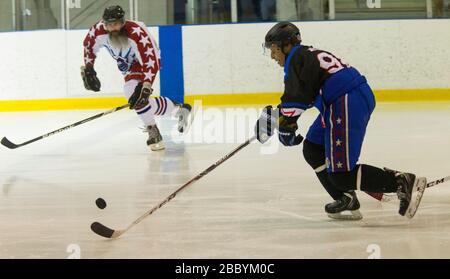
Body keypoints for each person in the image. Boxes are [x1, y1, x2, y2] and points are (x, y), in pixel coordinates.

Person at [255, 22, 427, 220]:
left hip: (345, 102)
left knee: (341, 175)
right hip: (344, 100)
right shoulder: (305, 55)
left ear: (286, 45)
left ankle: (400, 182)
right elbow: (305, 95)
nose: (272, 56)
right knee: (312, 148)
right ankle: (346, 199)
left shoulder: (296, 59)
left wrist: (284, 125)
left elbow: (296, 100)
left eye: (274, 50)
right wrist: (277, 118)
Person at [81, 5, 191, 151]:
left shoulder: (136, 32)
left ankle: (153, 131)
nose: (112, 28)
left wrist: (145, 86)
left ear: (122, 22)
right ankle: (179, 109)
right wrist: (89, 69)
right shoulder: (99, 30)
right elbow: (89, 46)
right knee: (142, 101)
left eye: (116, 24)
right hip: (128, 66)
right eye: (109, 24)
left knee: (132, 92)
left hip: (146, 62)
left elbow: (151, 60)